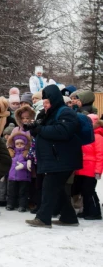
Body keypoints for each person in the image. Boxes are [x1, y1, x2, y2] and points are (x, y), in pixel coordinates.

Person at [23, 84, 82, 228]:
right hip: (56, 159)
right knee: (58, 189)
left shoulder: (65, 113)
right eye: (44, 103)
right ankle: (69, 217)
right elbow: (45, 131)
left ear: (54, 100)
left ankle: (43, 218)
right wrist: (34, 126)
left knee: (49, 187)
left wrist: (40, 128)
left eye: (47, 102)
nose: (46, 105)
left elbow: (62, 131)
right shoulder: (50, 114)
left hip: (62, 159)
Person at [73, 114, 102, 220]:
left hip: (91, 168)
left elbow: (100, 155)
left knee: (89, 190)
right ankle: (86, 211)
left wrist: (98, 170)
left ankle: (95, 212)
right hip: (81, 167)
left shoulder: (98, 137)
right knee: (83, 190)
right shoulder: (84, 135)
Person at [6, 132, 32, 212]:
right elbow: (8, 164)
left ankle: (22, 205)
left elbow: (30, 164)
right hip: (12, 177)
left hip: (24, 177)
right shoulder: (12, 154)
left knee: (23, 192)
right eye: (17, 143)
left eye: (21, 143)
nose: (19, 145)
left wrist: (23, 165)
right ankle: (10, 204)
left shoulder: (27, 154)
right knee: (11, 192)